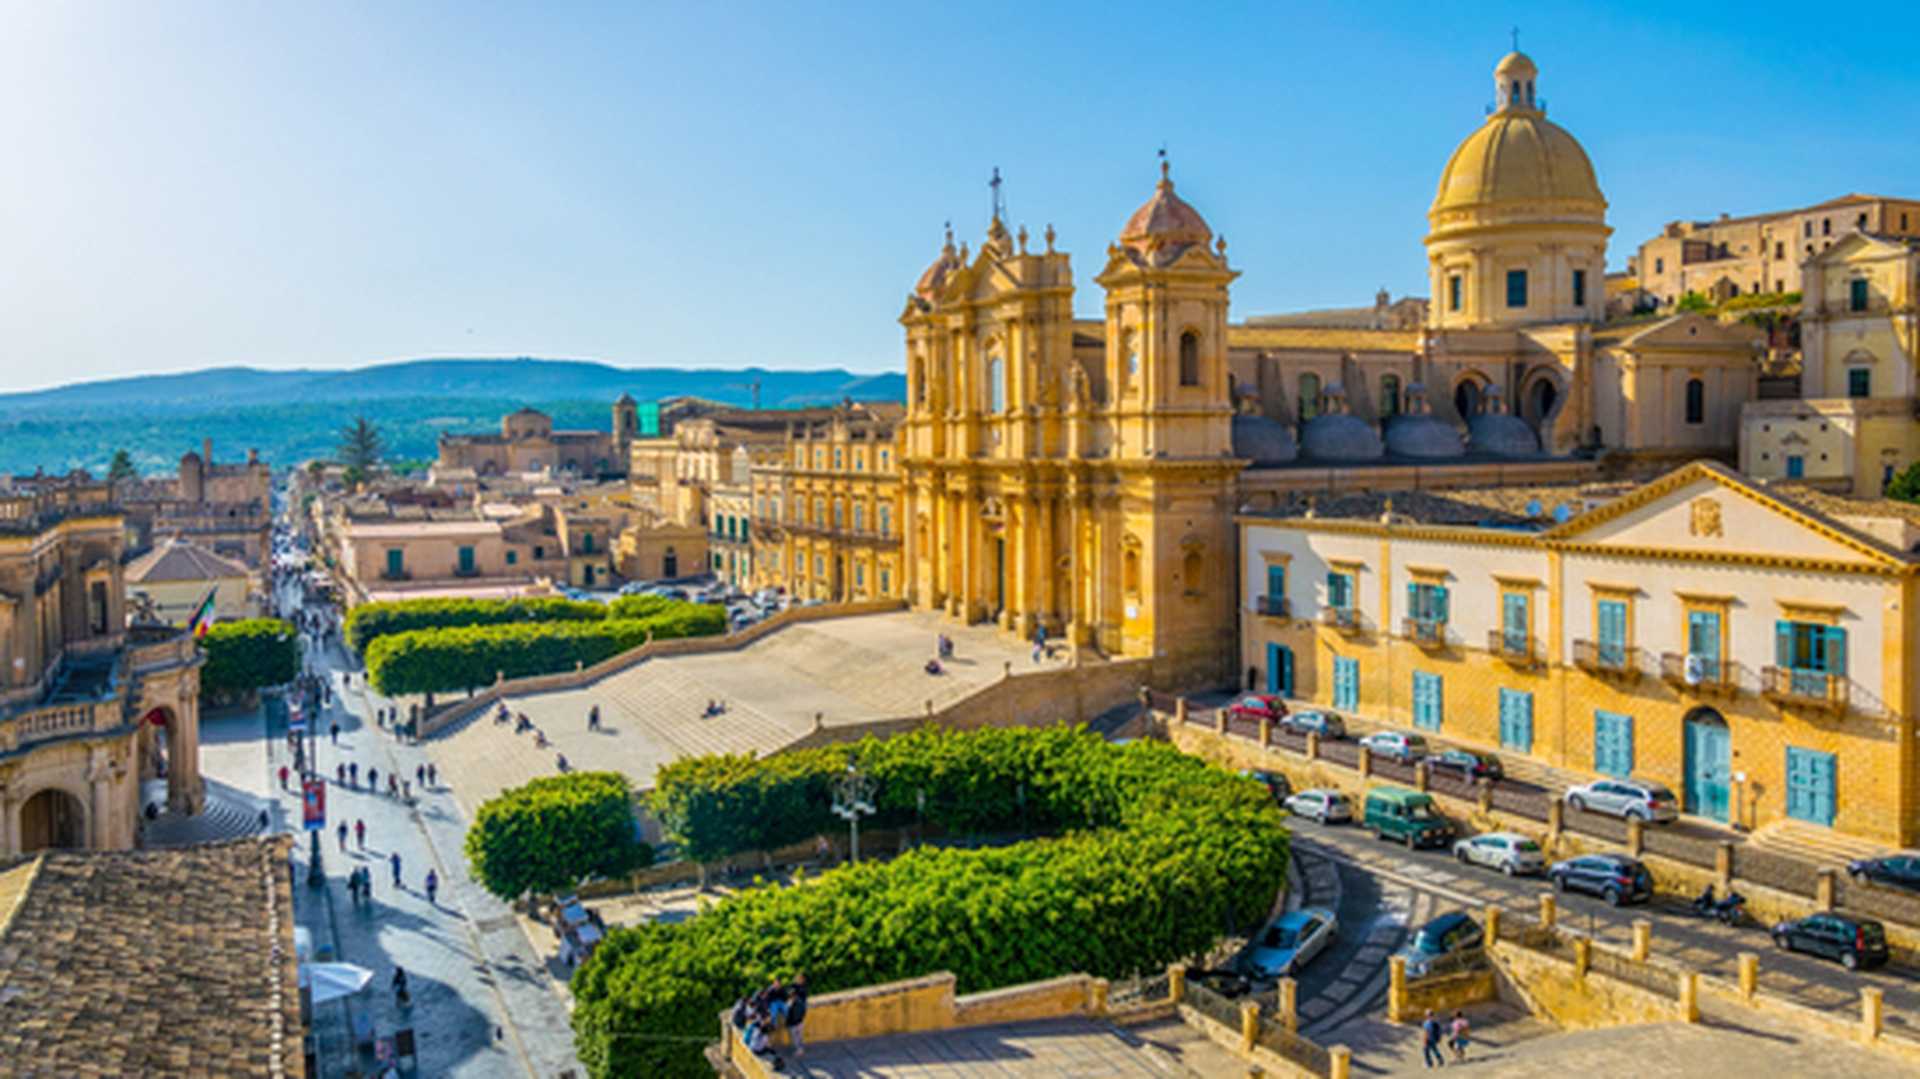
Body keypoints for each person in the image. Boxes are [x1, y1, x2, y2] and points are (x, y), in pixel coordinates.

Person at [785, 973, 809, 1057]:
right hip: (797, 1020)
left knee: (797, 1035)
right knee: (798, 1035)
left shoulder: (801, 993)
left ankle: (799, 1050)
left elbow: (796, 1013)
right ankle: (800, 1049)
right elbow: (788, 989)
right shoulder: (794, 987)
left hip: (796, 1021)